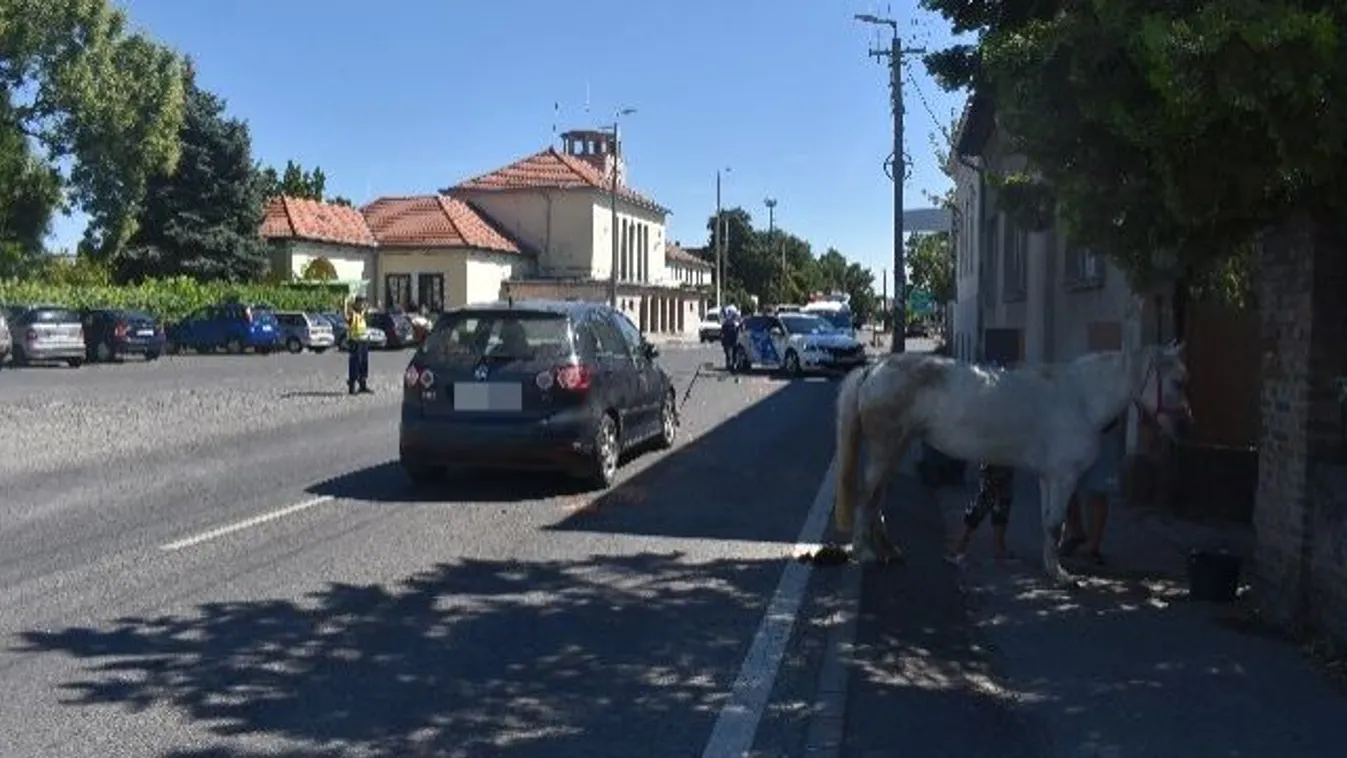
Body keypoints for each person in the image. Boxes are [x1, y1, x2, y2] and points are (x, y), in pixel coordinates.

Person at [1060, 414, 1126, 565]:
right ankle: (1076, 534)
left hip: (1104, 430)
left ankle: (1093, 545)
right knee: (1067, 486)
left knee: (1098, 490)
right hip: (1073, 432)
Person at [946, 463, 1015, 564]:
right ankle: (960, 544)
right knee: (988, 499)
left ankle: (998, 547)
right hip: (996, 459)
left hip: (999, 459)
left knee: (998, 500)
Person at [346, 295, 372, 395]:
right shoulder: (352, 313)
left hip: (363, 341)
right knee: (355, 364)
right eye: (361, 303)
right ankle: (352, 387)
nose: (363, 305)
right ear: (357, 303)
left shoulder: (362, 313)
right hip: (355, 341)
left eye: (364, 303)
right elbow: (348, 320)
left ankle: (363, 385)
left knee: (364, 364)